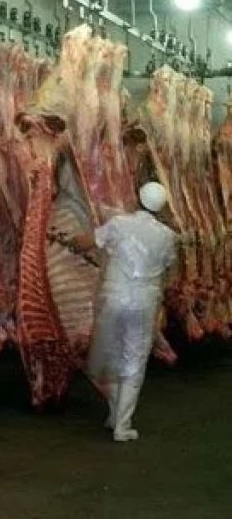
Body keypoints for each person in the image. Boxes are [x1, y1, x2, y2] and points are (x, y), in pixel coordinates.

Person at [74, 182, 178, 442]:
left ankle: (115, 411)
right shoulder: (167, 236)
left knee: (104, 358)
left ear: (136, 199)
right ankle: (121, 423)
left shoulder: (119, 223)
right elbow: (169, 267)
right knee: (133, 360)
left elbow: (87, 242)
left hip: (114, 298)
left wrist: (70, 238)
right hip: (144, 302)